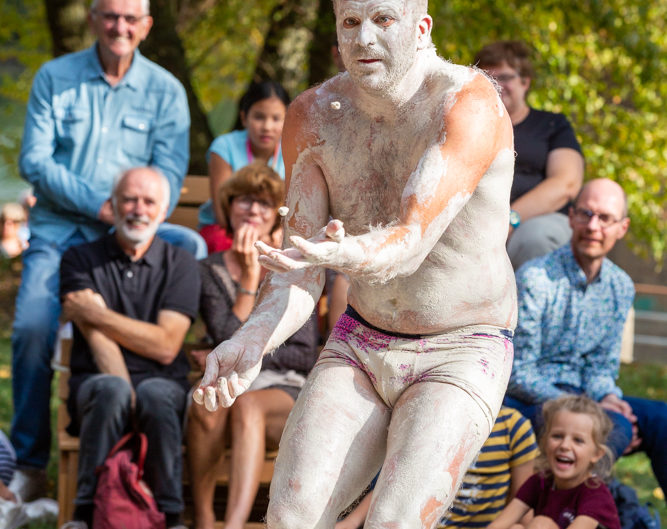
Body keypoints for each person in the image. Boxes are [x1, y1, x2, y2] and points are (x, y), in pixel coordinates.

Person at [195, 0, 518, 526]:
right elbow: (300, 268)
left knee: (394, 519)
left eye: (383, 19)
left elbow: (408, 242)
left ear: (421, 26)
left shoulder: (467, 101)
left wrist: (344, 253)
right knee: (290, 516)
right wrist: (252, 339)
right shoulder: (313, 115)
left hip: (463, 344)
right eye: (350, 22)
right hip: (361, 338)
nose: (364, 38)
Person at [10, 0, 204, 502]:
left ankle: (190, 372)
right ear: (94, 18)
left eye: (130, 18)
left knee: (193, 245)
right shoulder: (56, 77)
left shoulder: (166, 90)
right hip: (60, 230)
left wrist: (127, 212)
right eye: (110, 15)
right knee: (32, 325)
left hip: (130, 230)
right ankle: (30, 464)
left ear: (146, 26)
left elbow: (170, 172)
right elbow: (34, 159)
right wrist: (98, 206)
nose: (120, 26)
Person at [58, 167, 200, 529]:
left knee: (155, 392)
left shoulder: (181, 263)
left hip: (162, 385)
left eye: (148, 201)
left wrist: (94, 311)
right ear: (113, 204)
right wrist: (127, 393)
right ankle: (84, 516)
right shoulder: (79, 259)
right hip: (98, 380)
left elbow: (167, 346)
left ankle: (171, 517)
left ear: (163, 211)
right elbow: (97, 338)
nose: (138, 208)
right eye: (129, 199)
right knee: (112, 389)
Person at [505, 178, 667, 492]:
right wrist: (586, 409)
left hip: (587, 398)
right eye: (585, 214)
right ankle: (572, 511)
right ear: (571, 218)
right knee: (614, 425)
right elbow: (518, 372)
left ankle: (592, 503)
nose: (593, 226)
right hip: (534, 399)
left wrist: (607, 397)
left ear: (622, 228)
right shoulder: (536, 278)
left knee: (660, 418)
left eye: (605, 218)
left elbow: (602, 367)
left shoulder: (621, 286)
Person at [187, 163, 319, 529]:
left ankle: (232, 526)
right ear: (229, 208)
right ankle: (202, 518)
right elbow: (227, 340)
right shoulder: (208, 270)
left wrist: (255, 274)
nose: (253, 210)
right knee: (204, 405)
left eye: (264, 203)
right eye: (245, 200)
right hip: (226, 379)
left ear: (277, 218)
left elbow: (305, 353)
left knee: (247, 406)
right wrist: (247, 278)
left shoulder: (293, 269)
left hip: (283, 384)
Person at [475, 41, 585, 269]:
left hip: (537, 221)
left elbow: (567, 183)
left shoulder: (552, 125)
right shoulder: (468, 127)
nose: (496, 84)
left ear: (525, 82)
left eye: (504, 77)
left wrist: (510, 218)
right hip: (477, 221)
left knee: (535, 239)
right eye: (486, 78)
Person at [335, 407, 539, 529]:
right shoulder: (436, 420)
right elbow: (398, 481)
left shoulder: (513, 426)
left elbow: (521, 499)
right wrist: (350, 523)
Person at [488, 395, 621, 529]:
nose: (565, 445)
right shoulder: (539, 482)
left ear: (596, 454)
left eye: (578, 440)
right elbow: (498, 525)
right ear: (545, 441)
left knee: (541, 525)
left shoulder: (596, 496)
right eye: (557, 436)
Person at [198, 81, 290, 254]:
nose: (267, 127)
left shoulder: (293, 152)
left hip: (273, 232)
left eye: (276, 118)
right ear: (243, 118)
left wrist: (275, 234)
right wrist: (255, 238)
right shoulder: (224, 147)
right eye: (259, 117)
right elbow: (222, 214)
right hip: (227, 230)